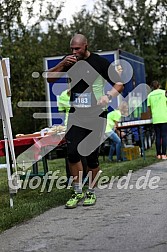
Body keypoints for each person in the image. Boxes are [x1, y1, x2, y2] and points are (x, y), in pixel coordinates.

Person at [47, 33, 124, 208]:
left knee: (92, 158)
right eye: (72, 49)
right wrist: (62, 63)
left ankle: (91, 191)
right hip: (76, 115)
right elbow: (49, 78)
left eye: (77, 49)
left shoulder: (100, 62)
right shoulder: (68, 62)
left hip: (96, 115)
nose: (74, 52)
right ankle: (77, 191)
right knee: (72, 153)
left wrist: (108, 95)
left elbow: (119, 83)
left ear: (86, 46)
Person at [147, 80, 167, 160]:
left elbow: (149, 108)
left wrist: (150, 116)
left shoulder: (150, 95)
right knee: (164, 136)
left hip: (155, 118)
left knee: (158, 136)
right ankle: (164, 154)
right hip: (164, 117)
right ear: (159, 85)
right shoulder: (164, 93)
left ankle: (158, 154)